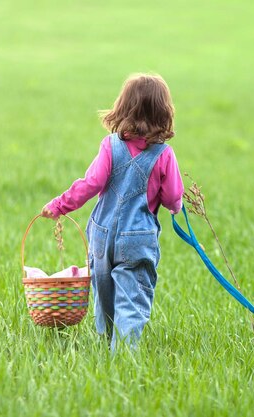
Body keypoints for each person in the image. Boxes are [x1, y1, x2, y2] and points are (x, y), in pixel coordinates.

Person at [41, 73, 184, 350]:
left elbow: (90, 184)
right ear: (164, 113)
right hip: (137, 240)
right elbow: (173, 197)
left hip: (101, 237)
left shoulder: (110, 146)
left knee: (103, 297)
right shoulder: (164, 155)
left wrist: (59, 205)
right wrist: (176, 207)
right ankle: (123, 360)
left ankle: (107, 346)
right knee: (131, 301)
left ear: (123, 107)